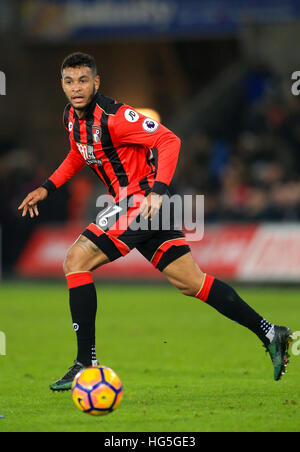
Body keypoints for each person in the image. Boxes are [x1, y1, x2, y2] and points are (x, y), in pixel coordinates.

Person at [18, 52, 292, 391]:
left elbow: (169, 140)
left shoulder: (117, 116)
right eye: (69, 81)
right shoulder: (71, 120)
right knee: (192, 283)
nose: (76, 88)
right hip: (145, 209)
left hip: (139, 201)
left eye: (83, 80)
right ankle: (270, 332)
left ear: (96, 82)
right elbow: (79, 153)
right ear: (62, 84)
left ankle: (84, 363)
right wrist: (48, 187)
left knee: (75, 260)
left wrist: (158, 191)